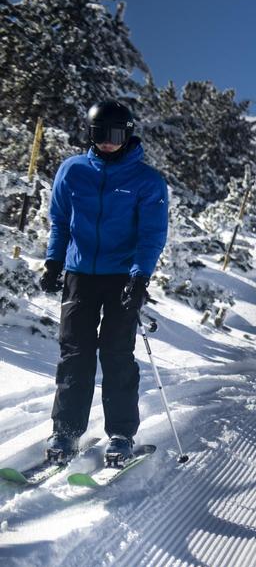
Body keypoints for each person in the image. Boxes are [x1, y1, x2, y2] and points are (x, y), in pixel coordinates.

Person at [40, 99, 169, 464]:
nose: (107, 142)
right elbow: (60, 222)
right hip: (80, 275)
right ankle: (65, 431)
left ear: (127, 134)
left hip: (121, 279)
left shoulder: (146, 180)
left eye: (114, 134)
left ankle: (121, 435)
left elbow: (152, 235)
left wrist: (140, 277)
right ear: (91, 133)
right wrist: (53, 262)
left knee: (116, 356)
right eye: (100, 134)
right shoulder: (72, 170)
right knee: (75, 355)